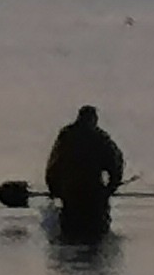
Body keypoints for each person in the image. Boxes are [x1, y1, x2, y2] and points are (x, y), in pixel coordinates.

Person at [43, 103, 126, 245]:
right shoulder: (100, 137)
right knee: (96, 235)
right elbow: (115, 162)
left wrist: (54, 188)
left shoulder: (66, 136)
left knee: (70, 234)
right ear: (94, 120)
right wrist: (111, 187)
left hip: (70, 192)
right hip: (93, 194)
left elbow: (54, 164)